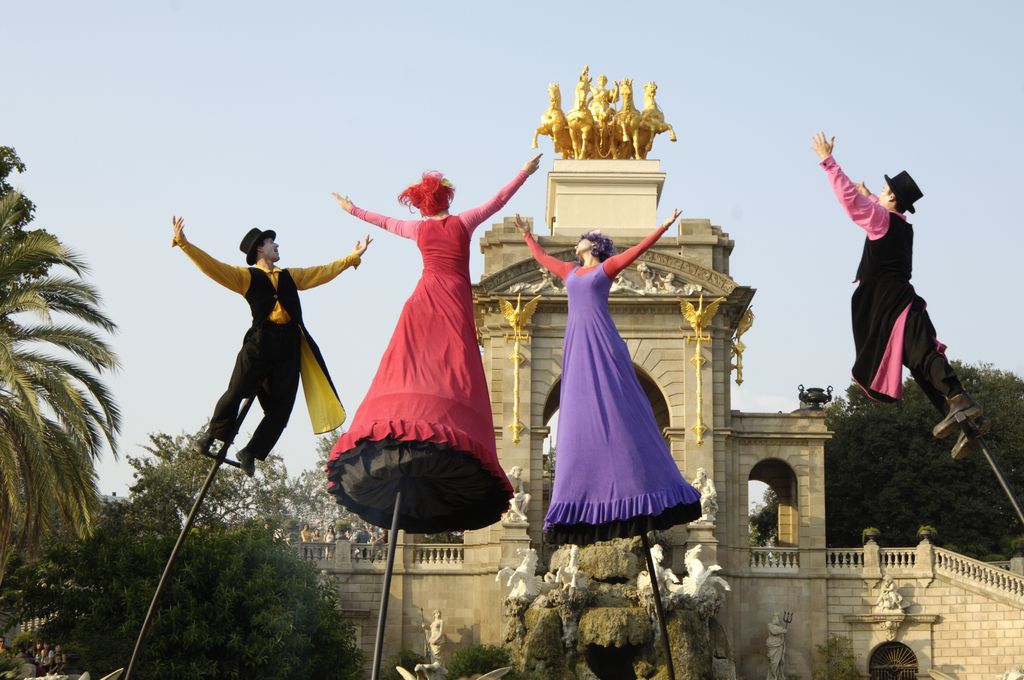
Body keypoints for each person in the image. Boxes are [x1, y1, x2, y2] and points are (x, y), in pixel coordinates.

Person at [327, 155, 542, 532]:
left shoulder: (418, 230)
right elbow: (497, 200)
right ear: (447, 199)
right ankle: (438, 408)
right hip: (455, 296)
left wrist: (350, 208)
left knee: (412, 353)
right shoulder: (462, 222)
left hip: (425, 294)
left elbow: (384, 221)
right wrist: (524, 172)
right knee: (455, 357)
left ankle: (408, 402)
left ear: (424, 204)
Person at [514, 210, 703, 544]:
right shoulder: (570, 271)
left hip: (602, 340)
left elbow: (635, 253)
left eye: (585, 237)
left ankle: (642, 477)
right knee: (578, 411)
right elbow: (543, 259)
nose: (579, 241)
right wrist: (528, 235)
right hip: (578, 342)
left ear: (595, 246)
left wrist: (662, 227)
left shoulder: (604, 269)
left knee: (620, 405)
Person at [811, 132, 988, 460]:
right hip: (897, 302)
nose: (878, 192)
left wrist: (828, 162)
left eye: (883, 189)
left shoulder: (881, 220)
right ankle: (966, 425)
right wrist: (871, 198)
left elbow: (851, 203)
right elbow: (872, 208)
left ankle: (960, 400)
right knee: (918, 363)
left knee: (924, 356)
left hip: (895, 303)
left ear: (891, 198)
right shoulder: (899, 223)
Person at [172, 217, 371, 476]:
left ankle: (250, 452)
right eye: (270, 242)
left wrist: (351, 258)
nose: (276, 244)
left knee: (281, 410)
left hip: (288, 346)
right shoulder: (245, 277)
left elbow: (321, 272)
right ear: (259, 249)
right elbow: (213, 267)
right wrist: (185, 244)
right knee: (236, 391)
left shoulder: (290, 276)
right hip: (261, 342)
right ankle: (212, 435)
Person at [765, 612, 788, 680]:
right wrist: (783, 631)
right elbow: (774, 631)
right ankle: (773, 677)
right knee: (773, 663)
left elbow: (782, 637)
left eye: (777, 618)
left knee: (778, 663)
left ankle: (777, 677)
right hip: (772, 646)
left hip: (779, 646)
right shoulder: (770, 625)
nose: (776, 619)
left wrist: (783, 634)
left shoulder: (780, 627)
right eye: (775, 618)